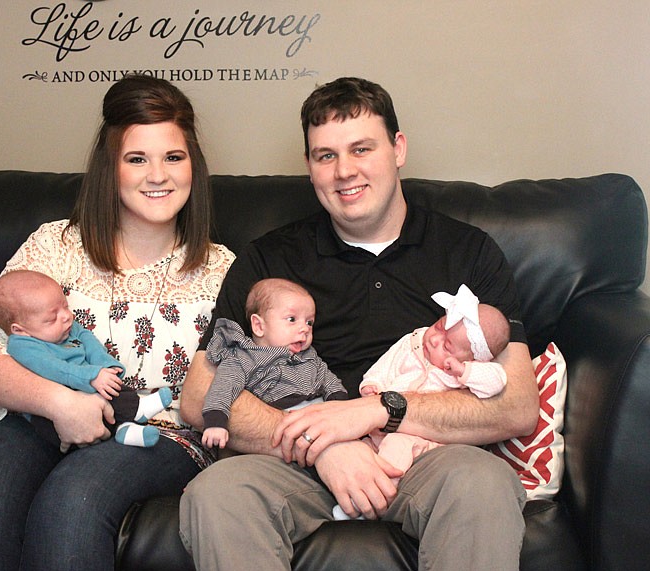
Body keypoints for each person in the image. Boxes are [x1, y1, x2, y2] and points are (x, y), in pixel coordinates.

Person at [178, 77, 539, 571]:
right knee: (217, 493)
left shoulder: (469, 252)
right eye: (325, 155)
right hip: (295, 465)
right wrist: (322, 444)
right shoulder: (269, 258)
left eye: (361, 149)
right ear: (309, 167)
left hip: (429, 459)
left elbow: (517, 405)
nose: (344, 171)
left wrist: (376, 413)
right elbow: (200, 395)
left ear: (398, 149)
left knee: (483, 483)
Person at [0, 75, 235, 571]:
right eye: (137, 158)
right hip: (35, 417)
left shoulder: (224, 271)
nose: (158, 174)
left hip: (156, 433)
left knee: (74, 500)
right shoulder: (55, 245)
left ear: (193, 167)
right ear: (109, 168)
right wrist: (60, 403)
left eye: (173, 157)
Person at [332, 284, 509, 519]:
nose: (434, 339)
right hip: (378, 423)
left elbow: (497, 381)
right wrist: (373, 384)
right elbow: (388, 363)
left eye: (447, 346)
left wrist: (464, 371)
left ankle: (374, 501)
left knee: (395, 450)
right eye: (438, 327)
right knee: (357, 450)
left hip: (420, 438)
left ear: (472, 357)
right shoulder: (414, 341)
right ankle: (353, 493)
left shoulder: (469, 371)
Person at [0, 269, 173, 449]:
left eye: (65, 306)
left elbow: (89, 341)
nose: (67, 316)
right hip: (55, 407)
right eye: (52, 318)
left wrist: (105, 365)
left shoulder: (67, 327)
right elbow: (54, 369)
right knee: (92, 397)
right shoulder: (21, 345)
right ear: (20, 330)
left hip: (86, 388)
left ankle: (125, 429)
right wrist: (91, 376)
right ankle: (138, 408)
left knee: (110, 387)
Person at [201, 278, 347, 449]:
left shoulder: (309, 356)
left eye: (309, 322)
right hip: (274, 424)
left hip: (318, 417)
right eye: (292, 319)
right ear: (258, 326)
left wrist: (339, 402)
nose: (305, 328)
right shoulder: (244, 357)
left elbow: (327, 378)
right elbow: (223, 386)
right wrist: (216, 421)